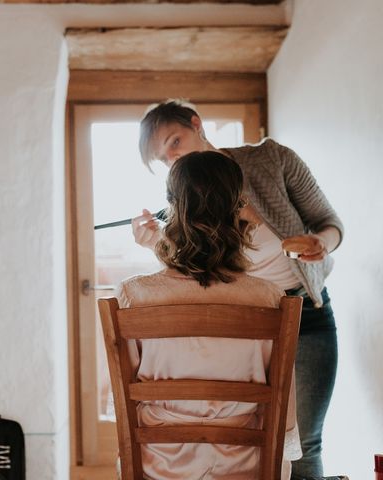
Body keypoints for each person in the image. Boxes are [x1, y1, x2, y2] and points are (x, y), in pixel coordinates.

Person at [132, 99, 343, 480]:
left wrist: (322, 243)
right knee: (249, 434)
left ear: (197, 124)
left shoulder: (271, 160)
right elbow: (192, 270)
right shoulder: (185, 199)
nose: (173, 160)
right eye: (163, 159)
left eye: (174, 143)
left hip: (304, 314)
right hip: (244, 323)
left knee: (304, 443)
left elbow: (329, 222)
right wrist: (155, 244)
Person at [117, 150, 301, 479]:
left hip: (158, 466)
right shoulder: (269, 298)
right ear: (238, 208)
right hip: (245, 464)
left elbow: (129, 399)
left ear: (172, 209)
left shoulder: (136, 296)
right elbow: (283, 416)